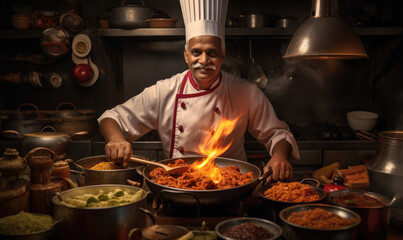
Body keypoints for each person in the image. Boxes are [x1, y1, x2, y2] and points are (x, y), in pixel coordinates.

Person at [98, 0, 300, 182]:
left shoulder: (246, 92)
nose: (204, 61)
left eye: (212, 53)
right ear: (186, 55)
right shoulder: (164, 91)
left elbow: (278, 134)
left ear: (223, 55)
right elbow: (111, 117)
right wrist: (116, 139)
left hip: (232, 185)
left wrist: (280, 156)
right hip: (177, 183)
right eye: (196, 52)